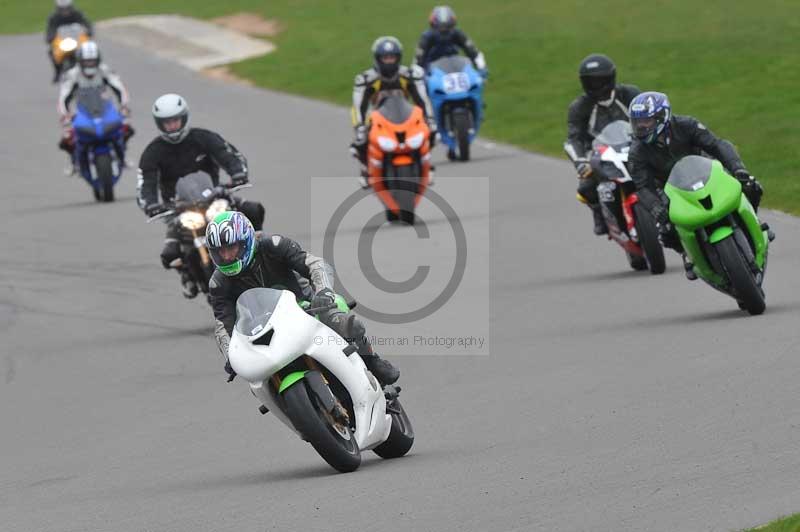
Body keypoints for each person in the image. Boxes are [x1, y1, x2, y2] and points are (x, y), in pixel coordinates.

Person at [205, 211, 400, 385]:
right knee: (254, 374)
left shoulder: (273, 245)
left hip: (306, 308)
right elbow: (223, 324)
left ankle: (372, 361)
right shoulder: (219, 283)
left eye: (231, 248)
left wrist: (323, 291)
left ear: (245, 241)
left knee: (340, 317)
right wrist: (230, 355)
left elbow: (314, 264)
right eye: (220, 251)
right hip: (262, 330)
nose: (227, 256)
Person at [137, 93, 266, 298]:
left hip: (214, 198)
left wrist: (238, 174)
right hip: (179, 208)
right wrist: (151, 204)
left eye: (175, 120)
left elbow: (230, 155)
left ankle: (261, 250)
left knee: (253, 210)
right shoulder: (153, 152)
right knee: (169, 254)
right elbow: (145, 183)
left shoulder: (203, 138)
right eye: (167, 123)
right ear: (159, 124)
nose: (172, 126)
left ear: (184, 117)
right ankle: (186, 274)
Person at [627, 90, 765, 278]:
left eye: (646, 121)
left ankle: (754, 221)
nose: (641, 127)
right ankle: (687, 253)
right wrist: (656, 209)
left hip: (706, 173)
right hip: (671, 189)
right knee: (665, 230)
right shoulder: (637, 151)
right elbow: (642, 186)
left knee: (751, 186)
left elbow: (717, 145)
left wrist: (737, 168)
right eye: (637, 122)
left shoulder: (686, 125)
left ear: (662, 117)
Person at [563, 53, 641, 235]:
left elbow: (650, 116)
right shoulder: (579, 107)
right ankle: (599, 213)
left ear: (611, 78)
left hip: (635, 146)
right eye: (591, 82)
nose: (596, 86)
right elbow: (573, 138)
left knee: (662, 172)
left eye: (600, 81)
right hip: (601, 155)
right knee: (586, 188)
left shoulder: (630, 94)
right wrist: (581, 162)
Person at [351, 36, 436, 187]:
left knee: (430, 131)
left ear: (399, 58)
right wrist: (360, 126)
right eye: (385, 58)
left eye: (392, 57)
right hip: (378, 119)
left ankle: (427, 165)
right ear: (378, 59)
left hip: (405, 116)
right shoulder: (366, 79)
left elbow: (422, 100)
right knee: (360, 140)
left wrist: (429, 119)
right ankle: (366, 170)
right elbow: (358, 106)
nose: (389, 61)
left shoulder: (409, 75)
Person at [57, 41, 133, 174]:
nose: (90, 64)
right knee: (67, 138)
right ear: (80, 61)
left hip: (104, 109)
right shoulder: (72, 75)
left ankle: (123, 156)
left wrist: (123, 106)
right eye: (86, 62)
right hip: (80, 112)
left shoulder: (105, 71)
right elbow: (63, 98)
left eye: (92, 61)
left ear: (97, 60)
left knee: (126, 128)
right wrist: (65, 114)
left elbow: (120, 89)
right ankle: (74, 162)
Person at [413, 5, 487, 73]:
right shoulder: (427, 37)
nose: (443, 30)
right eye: (440, 27)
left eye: (447, 27)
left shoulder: (457, 33)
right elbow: (418, 59)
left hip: (455, 68)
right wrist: (418, 72)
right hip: (432, 72)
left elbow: (472, 51)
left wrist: (481, 66)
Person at [45, 0, 94, 83]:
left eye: (67, 9)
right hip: (63, 41)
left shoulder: (78, 14)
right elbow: (50, 29)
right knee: (51, 51)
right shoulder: (53, 17)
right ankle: (57, 71)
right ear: (58, 8)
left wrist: (89, 31)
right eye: (62, 9)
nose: (65, 11)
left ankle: (94, 69)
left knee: (90, 50)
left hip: (77, 39)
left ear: (71, 7)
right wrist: (50, 37)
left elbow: (86, 23)